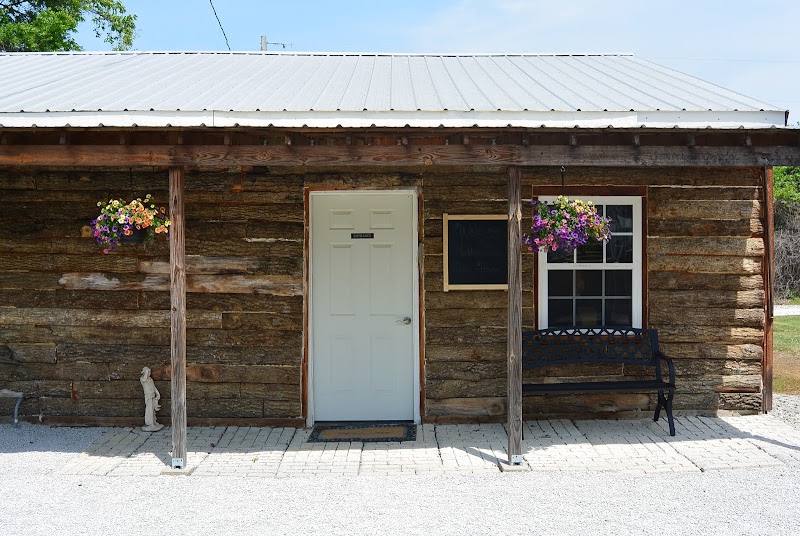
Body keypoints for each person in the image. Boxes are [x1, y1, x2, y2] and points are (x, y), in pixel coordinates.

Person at [140, 367, 163, 432]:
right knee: (149, 410)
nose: (149, 373)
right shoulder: (142, 379)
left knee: (153, 410)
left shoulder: (150, 379)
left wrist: (158, 394)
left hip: (152, 395)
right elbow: (144, 380)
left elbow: (154, 387)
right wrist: (146, 372)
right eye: (148, 372)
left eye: (149, 372)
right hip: (148, 397)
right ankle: (150, 423)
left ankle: (154, 421)